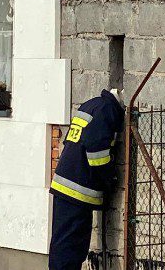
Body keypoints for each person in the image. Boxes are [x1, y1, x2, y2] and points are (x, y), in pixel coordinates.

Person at [48, 88, 125, 270]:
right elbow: (96, 149)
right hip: (78, 189)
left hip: (65, 184)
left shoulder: (91, 105)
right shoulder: (107, 110)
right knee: (72, 248)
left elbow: (71, 141)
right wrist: (109, 177)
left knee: (63, 243)